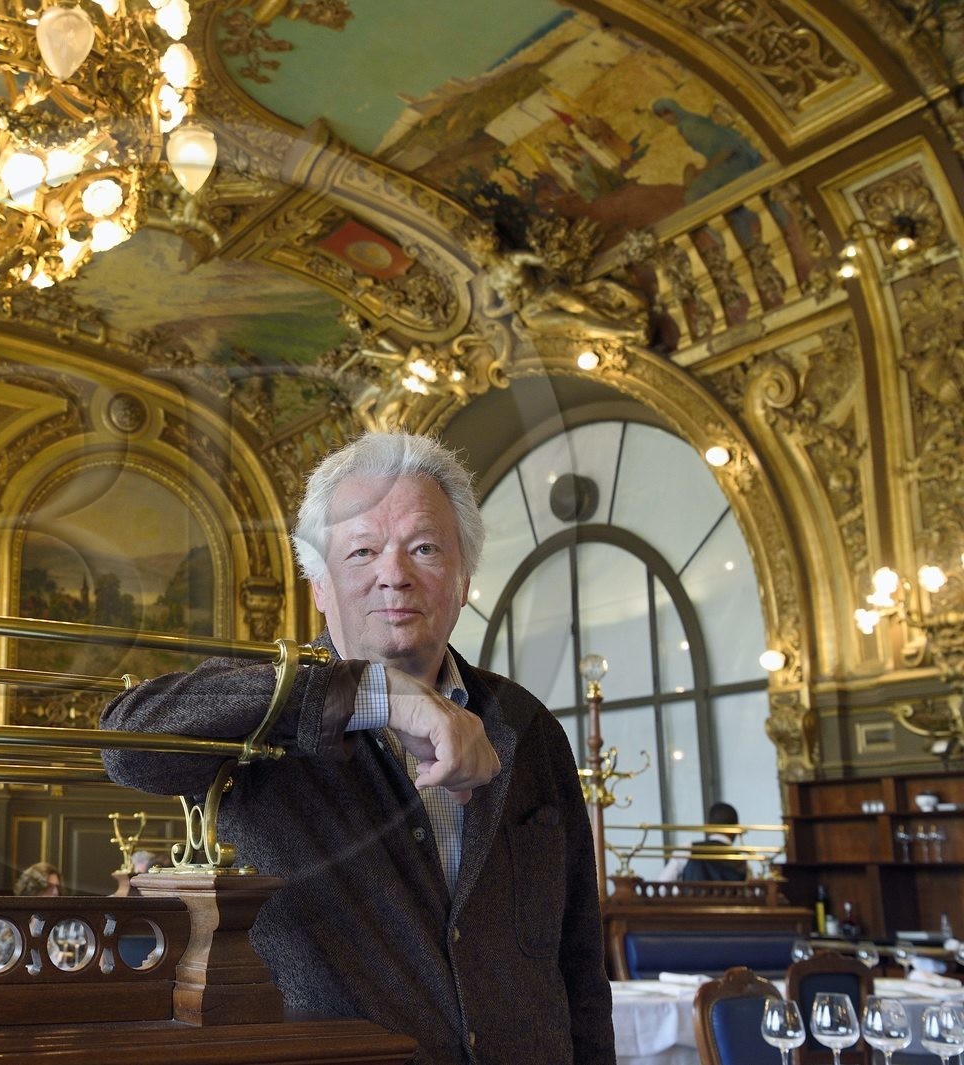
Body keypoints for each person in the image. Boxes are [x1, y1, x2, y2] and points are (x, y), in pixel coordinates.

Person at [101, 431, 614, 1065]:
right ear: (319, 586)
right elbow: (127, 741)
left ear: (464, 578)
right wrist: (371, 694)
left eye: (424, 548)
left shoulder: (525, 725)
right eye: (361, 551)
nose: (393, 575)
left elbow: (579, 961)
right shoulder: (257, 712)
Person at [662, 801, 749, 882]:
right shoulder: (742, 863)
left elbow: (662, 886)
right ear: (737, 829)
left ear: (707, 826)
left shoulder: (687, 850)